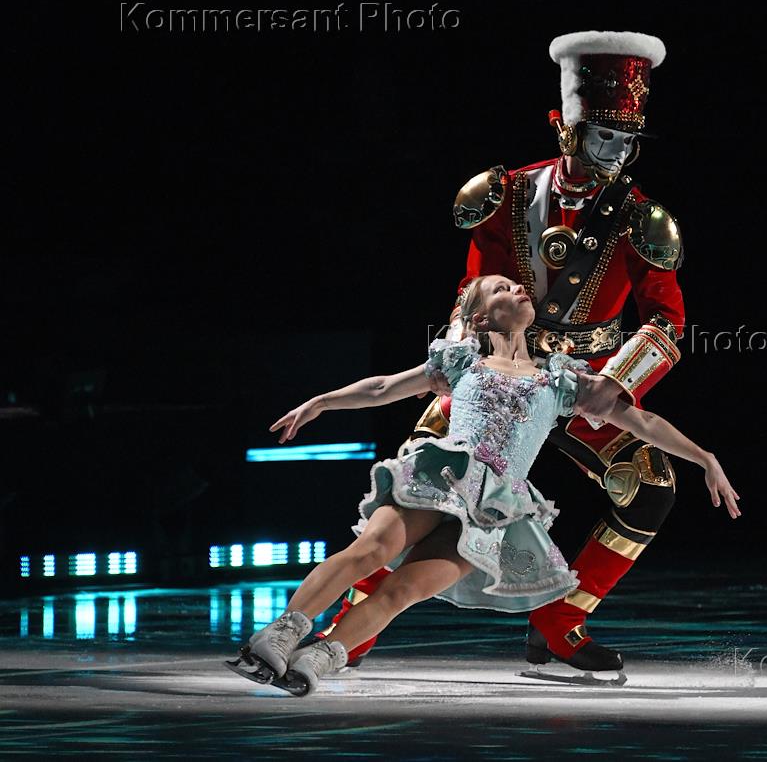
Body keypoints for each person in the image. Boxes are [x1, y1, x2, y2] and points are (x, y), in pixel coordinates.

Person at [321, 30, 695, 678]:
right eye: (605, 136)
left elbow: (667, 320)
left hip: (574, 382)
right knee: (420, 488)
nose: (618, 152)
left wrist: (617, 382)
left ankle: (558, 624)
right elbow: (471, 289)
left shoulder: (640, 219)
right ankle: (347, 632)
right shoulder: (503, 195)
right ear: (567, 128)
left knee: (650, 485)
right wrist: (457, 357)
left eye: (627, 140)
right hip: (490, 373)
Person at [226, 274, 739, 696]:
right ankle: (278, 636)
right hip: (441, 477)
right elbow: (384, 387)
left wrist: (705, 458)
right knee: (372, 551)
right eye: (501, 288)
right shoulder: (460, 362)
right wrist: (320, 402)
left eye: (517, 286)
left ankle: (318, 660)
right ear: (480, 319)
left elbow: (642, 423)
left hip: (494, 508)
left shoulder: (562, 380)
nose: (518, 290)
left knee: (405, 591)